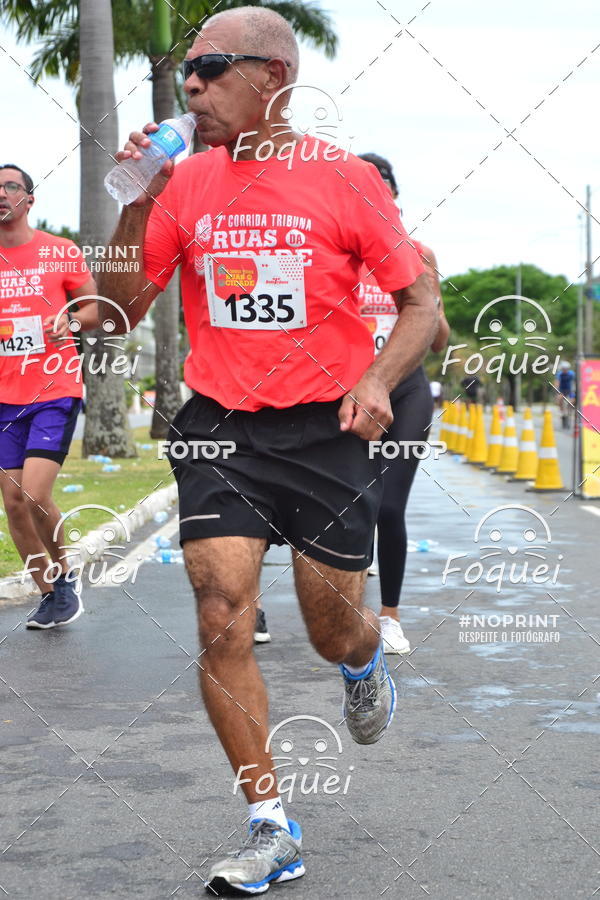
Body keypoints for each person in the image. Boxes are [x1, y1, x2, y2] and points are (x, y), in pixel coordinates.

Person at [99, 7, 437, 895]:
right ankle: (270, 825)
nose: (192, 87)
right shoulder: (184, 182)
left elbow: (420, 307)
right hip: (220, 426)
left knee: (331, 629)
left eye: (211, 69)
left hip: (325, 432)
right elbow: (120, 306)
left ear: (272, 79)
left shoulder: (346, 179)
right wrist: (137, 198)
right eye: (187, 73)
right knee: (221, 613)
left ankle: (363, 663)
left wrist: (373, 382)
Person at [357, 153, 449, 655]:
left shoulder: (418, 252)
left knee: (389, 505)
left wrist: (428, 298)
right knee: (354, 504)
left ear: (392, 195)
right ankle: (350, 609)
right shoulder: (337, 251)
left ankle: (389, 616)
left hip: (407, 389)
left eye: (382, 187)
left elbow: (439, 341)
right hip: (352, 390)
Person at [0, 164, 99, 629]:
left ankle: (66, 579)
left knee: (35, 494)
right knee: (13, 502)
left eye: (10, 186)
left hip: (54, 388)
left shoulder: (59, 252)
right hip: (4, 397)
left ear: (29, 199)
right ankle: (49, 595)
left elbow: (95, 308)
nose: (1, 194)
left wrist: (73, 322)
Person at [556, 360, 575, 430]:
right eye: (564, 369)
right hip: (562, 390)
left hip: (570, 390)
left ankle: (569, 409)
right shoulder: (559, 374)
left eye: (566, 369)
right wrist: (557, 390)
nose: (565, 370)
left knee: (572, 400)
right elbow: (557, 382)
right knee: (559, 398)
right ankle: (561, 411)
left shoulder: (571, 374)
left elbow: (576, 381)